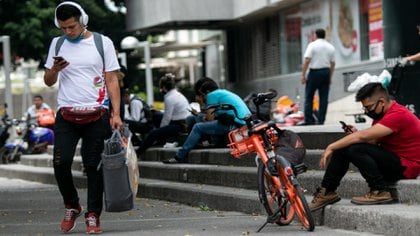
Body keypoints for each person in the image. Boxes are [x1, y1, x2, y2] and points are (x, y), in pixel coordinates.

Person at [43, 1, 123, 234]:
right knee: (61, 163)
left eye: (71, 27)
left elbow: (111, 79)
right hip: (67, 113)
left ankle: (93, 215)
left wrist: (116, 114)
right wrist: (55, 69)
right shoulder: (57, 43)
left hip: (97, 113)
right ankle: (72, 205)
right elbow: (48, 80)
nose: (68, 32)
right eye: (63, 28)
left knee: (93, 167)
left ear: (83, 21)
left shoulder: (102, 42)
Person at [309, 82, 420, 211]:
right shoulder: (382, 114)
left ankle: (379, 190)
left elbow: (363, 137)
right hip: (394, 161)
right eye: (364, 108)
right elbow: (373, 140)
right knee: (348, 146)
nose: (367, 111)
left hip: (407, 167)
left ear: (382, 102)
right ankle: (327, 191)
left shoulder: (398, 114)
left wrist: (331, 147)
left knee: (353, 147)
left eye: (368, 107)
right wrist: (355, 134)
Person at [162, 78, 251, 164]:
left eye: (202, 95)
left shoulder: (211, 95)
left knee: (198, 127)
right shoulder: (221, 93)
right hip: (243, 122)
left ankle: (179, 156)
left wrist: (201, 106)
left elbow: (209, 119)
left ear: (207, 92)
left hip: (236, 124)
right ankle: (201, 143)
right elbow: (213, 114)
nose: (202, 97)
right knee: (197, 118)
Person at [136, 73, 190, 156]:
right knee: (156, 114)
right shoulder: (176, 94)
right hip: (180, 121)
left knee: (153, 133)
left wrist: (159, 132)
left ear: (164, 87)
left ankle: (138, 152)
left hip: (179, 125)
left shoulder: (169, 98)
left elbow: (166, 119)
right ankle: (159, 138)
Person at [301, 28, 335, 125]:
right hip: (326, 72)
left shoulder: (312, 45)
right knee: (324, 98)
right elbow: (333, 63)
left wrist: (303, 75)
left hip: (314, 72)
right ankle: (321, 120)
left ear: (315, 35)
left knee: (309, 96)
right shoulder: (330, 47)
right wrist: (330, 77)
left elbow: (307, 60)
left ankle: (308, 120)